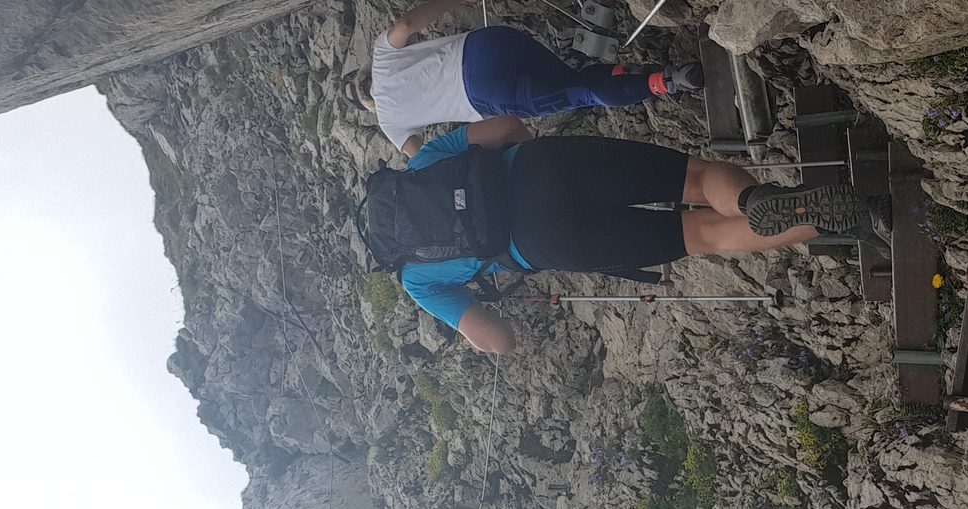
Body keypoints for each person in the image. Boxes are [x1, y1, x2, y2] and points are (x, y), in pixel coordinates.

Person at [367, 117, 884, 354]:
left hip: (543, 243)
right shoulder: (423, 164)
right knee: (697, 178)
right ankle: (755, 199)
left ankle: (836, 218)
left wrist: (482, 329)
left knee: (705, 235)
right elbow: (508, 128)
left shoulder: (417, 280)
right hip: (544, 167)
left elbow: (500, 341)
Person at [344, 0, 702, 149]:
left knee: (579, 93)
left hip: (487, 95)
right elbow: (406, 25)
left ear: (368, 106)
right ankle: (630, 74)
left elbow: (426, 156)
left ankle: (665, 81)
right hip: (488, 45)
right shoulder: (380, 57)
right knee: (570, 77)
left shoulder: (389, 122)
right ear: (363, 73)